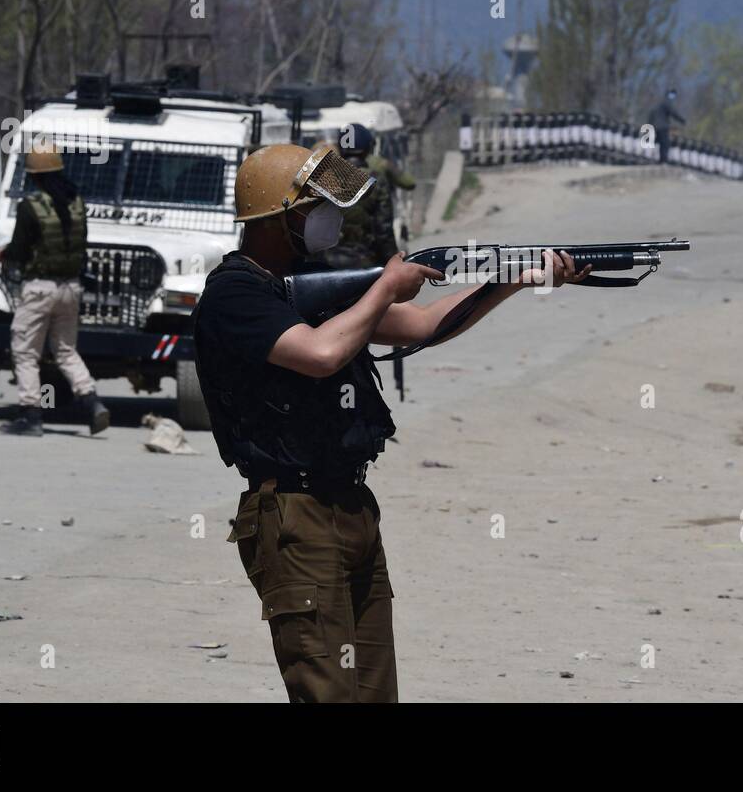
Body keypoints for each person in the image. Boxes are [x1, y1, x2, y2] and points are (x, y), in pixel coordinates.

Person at [192, 142, 589, 703]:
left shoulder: (309, 285)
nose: (330, 216)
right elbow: (320, 354)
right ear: (279, 215)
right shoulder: (235, 293)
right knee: (328, 696)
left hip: (350, 506)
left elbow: (423, 324)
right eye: (315, 206)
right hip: (294, 516)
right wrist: (383, 288)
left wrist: (517, 278)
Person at [0, 139, 109, 436]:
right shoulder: (77, 202)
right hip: (71, 288)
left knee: (25, 351)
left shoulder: (31, 207)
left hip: (39, 290)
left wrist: (2, 254)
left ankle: (30, 414)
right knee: (66, 351)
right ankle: (92, 402)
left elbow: (19, 252)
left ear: (34, 174)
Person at [317, 123, 415, 270]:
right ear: (369, 147)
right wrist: (392, 264)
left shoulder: (323, 177)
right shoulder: (375, 179)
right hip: (365, 262)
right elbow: (384, 229)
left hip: (326, 263)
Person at [648, 88, 685, 164]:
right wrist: (682, 120)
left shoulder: (658, 105)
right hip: (662, 126)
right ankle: (663, 160)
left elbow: (651, 115)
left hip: (654, 126)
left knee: (656, 143)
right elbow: (673, 112)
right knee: (665, 143)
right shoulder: (666, 103)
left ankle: (654, 159)